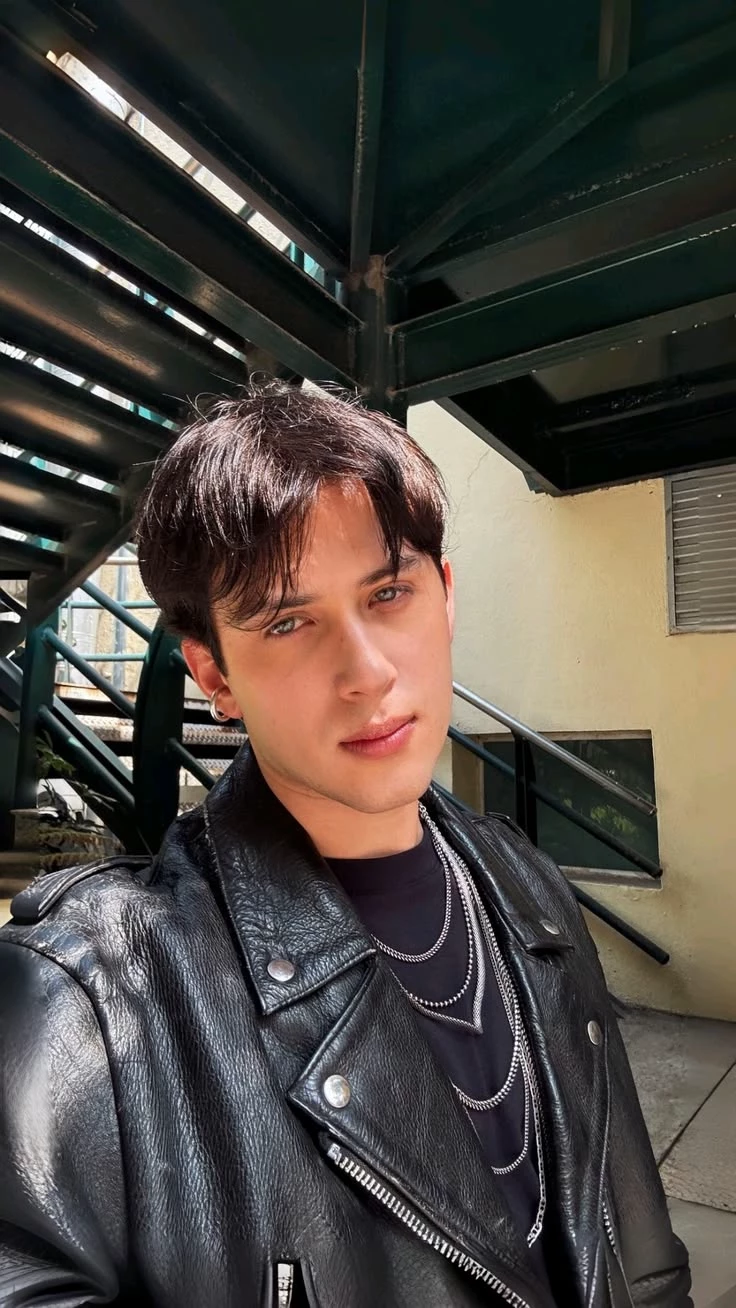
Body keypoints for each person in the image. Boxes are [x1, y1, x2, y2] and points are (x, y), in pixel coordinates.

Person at [0, 383, 691, 1308]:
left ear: (445, 598)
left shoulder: (529, 885)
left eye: (389, 593)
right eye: (288, 622)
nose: (366, 672)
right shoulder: (95, 995)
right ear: (214, 674)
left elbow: (641, 1256)